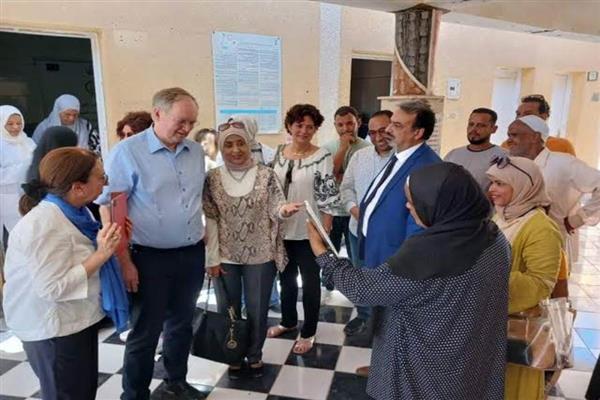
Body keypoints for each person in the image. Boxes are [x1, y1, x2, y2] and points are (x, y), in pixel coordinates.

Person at [309, 162, 510, 400]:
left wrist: (322, 253)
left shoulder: (430, 253)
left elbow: (362, 290)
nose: (408, 207)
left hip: (426, 366)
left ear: (439, 204)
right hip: (472, 355)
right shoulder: (493, 236)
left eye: (414, 202)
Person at [96, 87, 206, 400]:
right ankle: (135, 394)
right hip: (148, 258)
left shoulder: (195, 152)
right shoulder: (127, 152)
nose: (186, 129)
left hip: (191, 254)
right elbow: (111, 208)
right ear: (157, 113)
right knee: (145, 332)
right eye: (181, 121)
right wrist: (124, 261)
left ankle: (176, 382)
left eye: (192, 123)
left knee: (182, 325)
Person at [3, 147, 122, 400]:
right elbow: (52, 288)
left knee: (82, 391)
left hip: (76, 320)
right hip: (52, 329)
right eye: (101, 177)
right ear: (78, 188)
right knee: (65, 394)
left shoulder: (78, 211)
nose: (105, 183)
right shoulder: (45, 226)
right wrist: (101, 254)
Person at [203, 122, 301, 379]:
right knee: (229, 309)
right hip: (225, 255)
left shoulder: (266, 175)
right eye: (228, 144)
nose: (235, 150)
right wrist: (212, 258)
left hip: (261, 254)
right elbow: (210, 219)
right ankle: (234, 355)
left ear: (250, 144)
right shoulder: (212, 178)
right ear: (221, 147)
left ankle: (255, 354)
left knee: (258, 308)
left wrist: (283, 211)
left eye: (241, 143)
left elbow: (276, 205)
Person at [355, 100, 441, 376]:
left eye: (398, 125)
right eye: (391, 122)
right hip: (379, 254)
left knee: (399, 322)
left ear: (418, 132)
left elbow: (420, 227)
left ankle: (397, 377)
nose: (389, 130)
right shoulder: (400, 156)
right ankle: (383, 367)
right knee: (383, 319)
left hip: (397, 264)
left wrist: (401, 268)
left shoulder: (426, 167)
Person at [486, 155, 562, 400]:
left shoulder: (541, 227)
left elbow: (541, 282)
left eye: (500, 183)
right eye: (492, 182)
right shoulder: (501, 216)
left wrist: (487, 281)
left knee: (512, 388)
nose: (492, 189)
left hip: (517, 328)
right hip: (492, 322)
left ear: (522, 186)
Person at [268, 103, 338, 354]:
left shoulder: (322, 156)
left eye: (310, 127)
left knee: (310, 282)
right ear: (289, 126)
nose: (304, 131)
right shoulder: (278, 154)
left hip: (309, 230)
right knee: (285, 279)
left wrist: (325, 228)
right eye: (299, 125)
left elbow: (328, 195)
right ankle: (288, 321)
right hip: (282, 230)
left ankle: (308, 331)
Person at [506, 115, 600, 266]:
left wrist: (578, 218)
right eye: (509, 135)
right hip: (512, 241)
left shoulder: (564, 163)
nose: (509, 140)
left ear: (535, 137)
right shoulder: (511, 163)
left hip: (549, 245)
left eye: (514, 135)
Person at [339, 109, 393, 336]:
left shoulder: (404, 159)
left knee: (389, 278)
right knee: (361, 274)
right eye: (372, 133)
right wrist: (354, 209)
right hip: (358, 230)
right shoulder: (360, 157)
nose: (378, 137)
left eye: (384, 131)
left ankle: (388, 324)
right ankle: (364, 317)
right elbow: (346, 188)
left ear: (394, 127)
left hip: (391, 235)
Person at [322, 106, 370, 255]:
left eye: (350, 123)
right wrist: (343, 148)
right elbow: (328, 177)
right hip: (332, 212)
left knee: (356, 256)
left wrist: (342, 176)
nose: (345, 128)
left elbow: (364, 179)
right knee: (330, 256)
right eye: (340, 125)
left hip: (355, 212)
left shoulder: (368, 148)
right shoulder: (327, 148)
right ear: (335, 125)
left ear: (358, 123)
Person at [444, 107, 506, 191]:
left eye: (481, 125)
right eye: (471, 124)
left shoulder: (503, 156)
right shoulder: (453, 155)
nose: (473, 129)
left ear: (493, 129)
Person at [0, 106, 36, 236]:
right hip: (7, 201)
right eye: (10, 124)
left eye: (19, 123)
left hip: (30, 197)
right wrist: (23, 168)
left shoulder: (29, 142)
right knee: (16, 236)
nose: (15, 127)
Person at [501, 94, 576, 155]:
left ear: (544, 116)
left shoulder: (562, 146)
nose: (520, 118)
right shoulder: (507, 145)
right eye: (518, 114)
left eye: (528, 114)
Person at [32, 94, 101, 154]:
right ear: (57, 112)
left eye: (75, 115)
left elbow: (98, 148)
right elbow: (34, 153)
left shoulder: (86, 126)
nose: (72, 118)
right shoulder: (43, 129)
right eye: (67, 114)